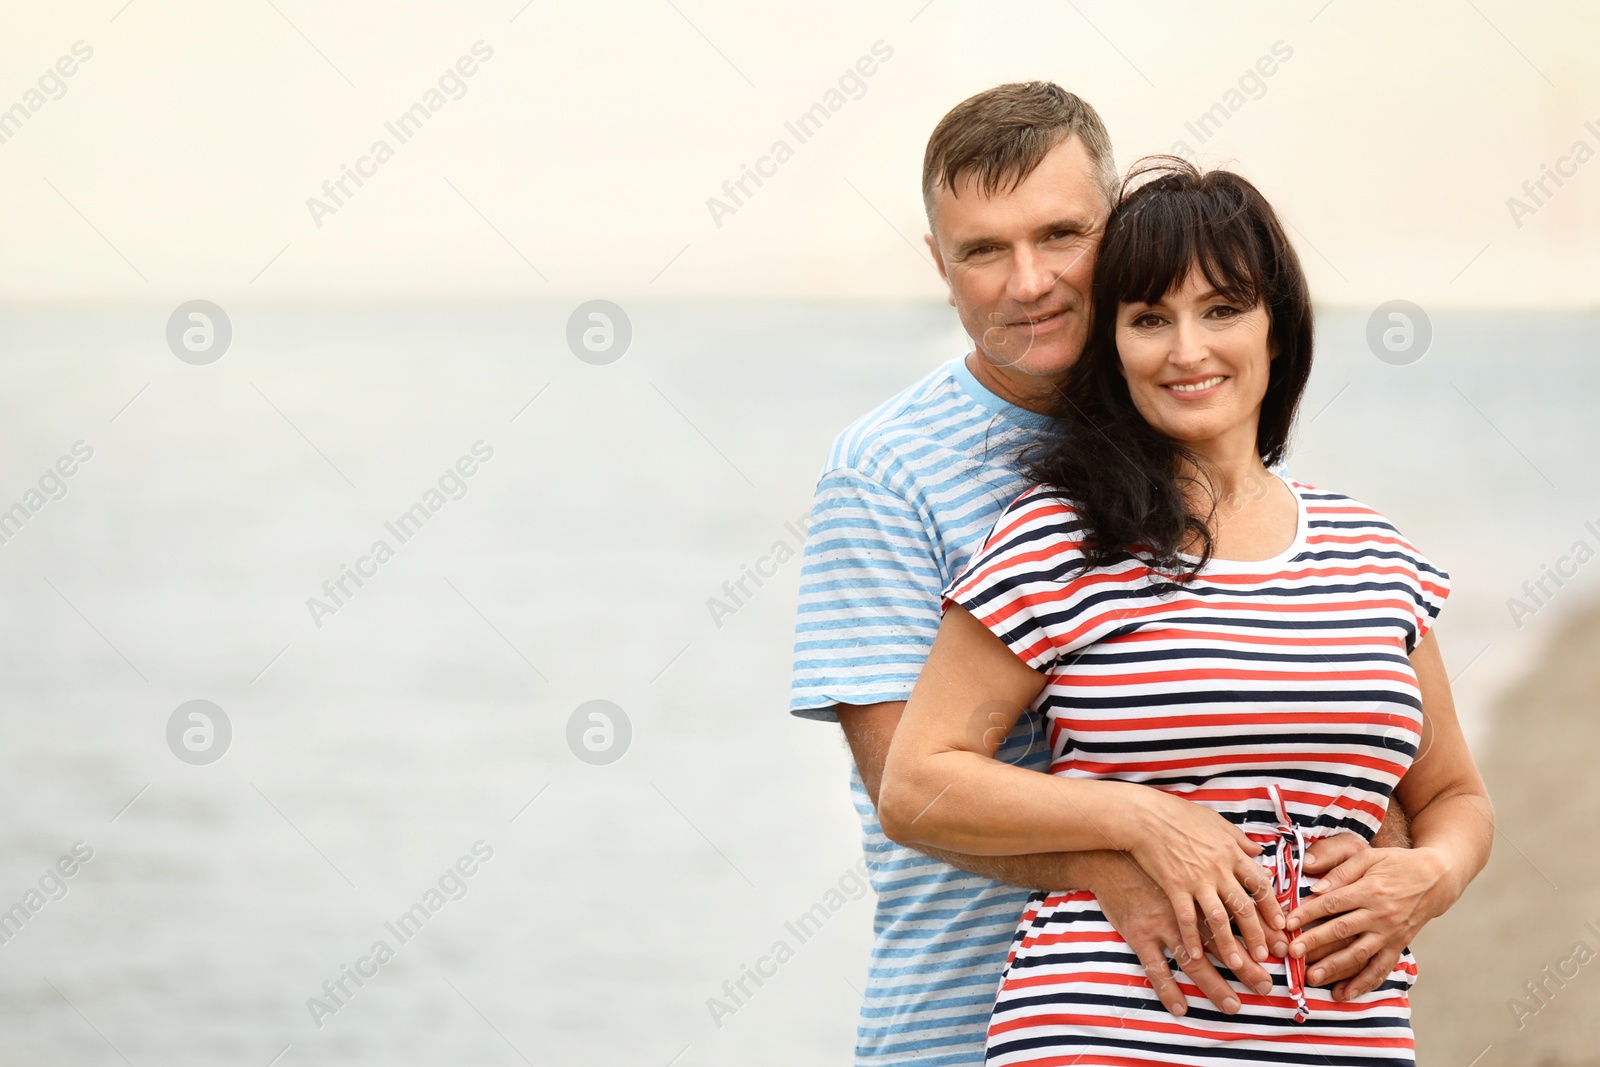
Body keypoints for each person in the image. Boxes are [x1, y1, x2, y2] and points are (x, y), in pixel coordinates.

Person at [788, 83, 1417, 1067]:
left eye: (1060, 235)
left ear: (1117, 225)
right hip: (964, 1022)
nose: (1026, 281)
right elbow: (905, 788)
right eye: (983, 250)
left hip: (1223, 1022)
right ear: (939, 265)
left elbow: (1338, 752)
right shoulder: (885, 471)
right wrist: (1120, 853)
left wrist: (1409, 867)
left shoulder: (1201, 443)